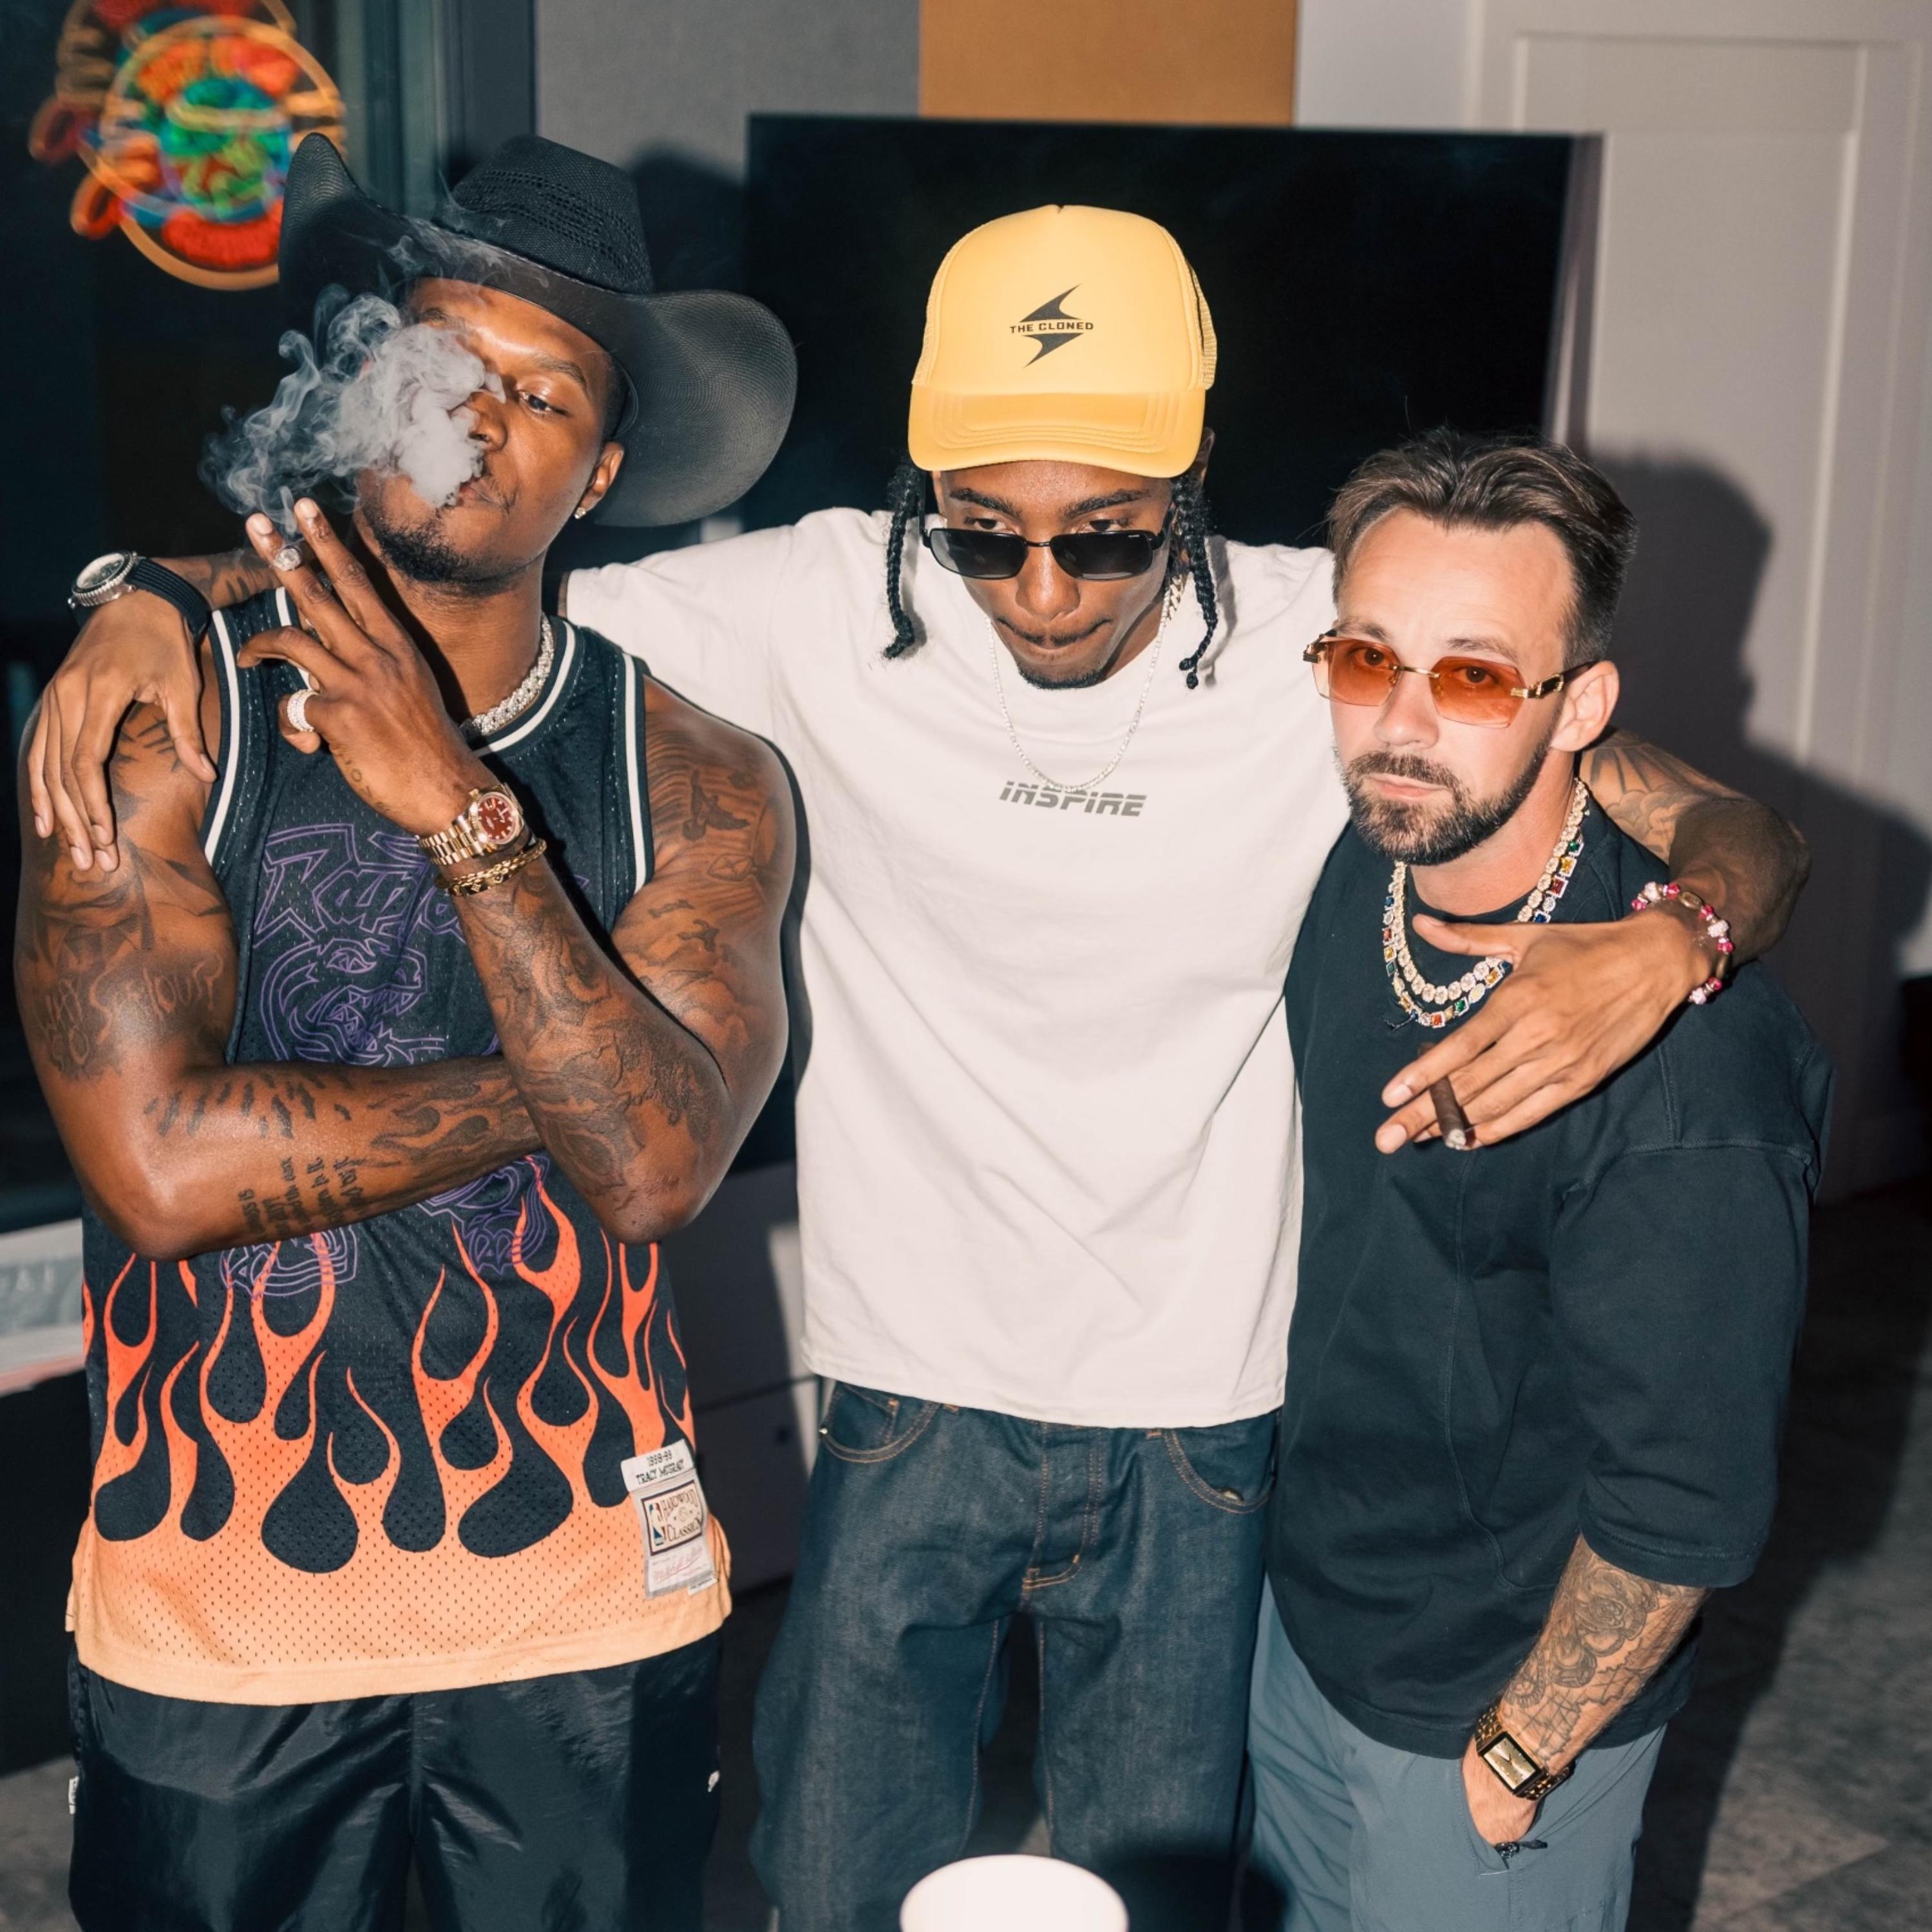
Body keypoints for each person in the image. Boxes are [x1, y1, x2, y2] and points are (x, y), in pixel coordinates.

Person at [28, 206, 1807, 1931]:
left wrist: (1682, 934)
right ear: (921, 491)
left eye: (1106, 538)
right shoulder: (803, 606)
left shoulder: (1326, 645)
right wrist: (155, 590)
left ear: (1189, 486)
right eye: (981, 531)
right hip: (903, 1393)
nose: (1040, 589)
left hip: (1196, 1405)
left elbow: (1688, 801)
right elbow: (459, 564)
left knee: (1152, 1895)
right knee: (832, 1885)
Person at [16, 134, 796, 1931]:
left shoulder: (700, 775)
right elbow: (160, 1172)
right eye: (439, 361)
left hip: (586, 1614)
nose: (477, 416)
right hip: (219, 1622)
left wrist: (464, 812)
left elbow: (656, 1180)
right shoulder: (161, 710)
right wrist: (587, 1089)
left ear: (602, 474)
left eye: (545, 394)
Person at [1247, 430, 1829, 1932]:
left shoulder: (1688, 1074)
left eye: (1476, 675)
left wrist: (1519, 1756)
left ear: (1580, 705)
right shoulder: (1375, 863)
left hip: (1486, 1710)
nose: (1401, 721)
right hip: (1309, 1623)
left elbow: (1687, 1499)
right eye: (1367, 657)